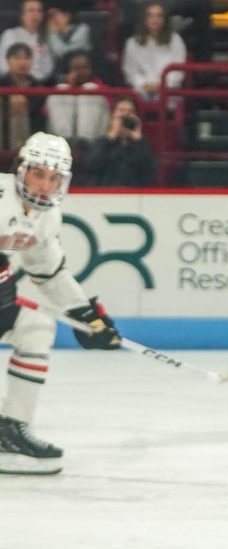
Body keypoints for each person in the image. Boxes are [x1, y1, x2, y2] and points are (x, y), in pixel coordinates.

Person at [1, 132, 122, 475]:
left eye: (54, 178)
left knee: (37, 328)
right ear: (20, 170)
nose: (44, 185)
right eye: (39, 174)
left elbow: (48, 273)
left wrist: (85, 315)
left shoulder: (47, 216)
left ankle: (10, 430)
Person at [121, 1, 187, 103]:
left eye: (159, 16)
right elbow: (130, 72)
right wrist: (143, 85)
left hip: (169, 92)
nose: (155, 19)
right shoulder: (132, 43)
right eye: (150, 16)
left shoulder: (176, 40)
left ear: (165, 19)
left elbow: (179, 71)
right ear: (144, 18)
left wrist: (162, 85)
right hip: (141, 93)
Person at [87, 95, 157, 187]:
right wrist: (111, 137)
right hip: (104, 194)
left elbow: (149, 170)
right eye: (121, 111)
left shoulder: (142, 144)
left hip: (135, 196)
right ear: (112, 116)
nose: (125, 115)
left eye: (130, 112)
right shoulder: (101, 142)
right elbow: (92, 165)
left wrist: (138, 140)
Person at [45, 50, 110, 147]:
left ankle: (84, 141)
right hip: (63, 140)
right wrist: (70, 87)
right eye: (76, 68)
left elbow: (111, 105)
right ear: (69, 70)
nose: (81, 72)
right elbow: (45, 111)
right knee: (61, 89)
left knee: (90, 88)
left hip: (93, 140)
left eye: (85, 68)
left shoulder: (99, 86)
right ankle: (65, 140)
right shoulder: (61, 88)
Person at [1, 43, 47, 152]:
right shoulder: (1, 83)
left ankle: (19, 152)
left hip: (31, 129)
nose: (22, 62)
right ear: (8, 61)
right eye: (17, 58)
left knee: (19, 101)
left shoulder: (38, 86)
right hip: (3, 128)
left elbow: (33, 109)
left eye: (26, 58)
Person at [0, 0, 56, 83]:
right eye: (31, 10)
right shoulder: (10, 34)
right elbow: (2, 64)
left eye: (39, 11)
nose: (35, 15)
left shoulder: (45, 39)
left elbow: (48, 68)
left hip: (37, 85)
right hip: (12, 83)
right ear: (22, 15)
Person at [46, 3, 92, 67]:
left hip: (80, 70)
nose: (52, 19)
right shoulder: (49, 36)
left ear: (67, 16)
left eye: (55, 14)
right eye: (50, 17)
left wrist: (52, 33)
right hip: (58, 72)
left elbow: (63, 54)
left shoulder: (83, 29)